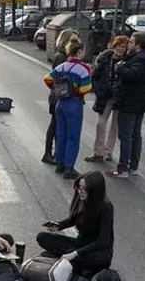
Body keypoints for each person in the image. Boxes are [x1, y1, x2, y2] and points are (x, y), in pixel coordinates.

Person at [36, 170, 114, 276]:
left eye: (84, 189)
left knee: (99, 259)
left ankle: (73, 261)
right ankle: (73, 262)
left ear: (94, 191)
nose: (80, 192)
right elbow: (74, 219)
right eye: (79, 188)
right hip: (80, 244)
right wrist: (59, 226)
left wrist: (74, 254)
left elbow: (103, 241)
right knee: (42, 237)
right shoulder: (83, 199)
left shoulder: (106, 207)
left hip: (96, 250)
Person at [108, 32, 145, 179]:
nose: (128, 44)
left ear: (138, 45)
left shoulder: (140, 59)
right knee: (135, 135)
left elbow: (132, 75)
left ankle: (123, 168)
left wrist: (120, 68)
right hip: (139, 102)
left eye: (131, 42)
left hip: (130, 102)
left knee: (127, 135)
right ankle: (133, 166)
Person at [44, 38, 93, 180]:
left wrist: (57, 89)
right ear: (79, 51)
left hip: (61, 103)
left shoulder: (63, 66)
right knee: (73, 136)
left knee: (61, 134)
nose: (84, 53)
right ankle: (69, 167)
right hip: (74, 104)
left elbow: (47, 79)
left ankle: (59, 163)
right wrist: (77, 90)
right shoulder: (83, 69)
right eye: (83, 50)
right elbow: (86, 88)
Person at [84, 35, 128, 163]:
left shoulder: (127, 61)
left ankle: (108, 152)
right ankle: (98, 152)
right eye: (119, 46)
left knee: (115, 126)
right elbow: (96, 77)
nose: (121, 49)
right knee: (100, 124)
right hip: (106, 96)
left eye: (124, 47)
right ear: (114, 46)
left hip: (119, 97)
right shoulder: (104, 60)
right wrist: (99, 90)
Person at [43, 29, 79, 163]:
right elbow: (58, 79)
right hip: (59, 96)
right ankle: (48, 153)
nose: (76, 43)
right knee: (55, 126)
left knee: (57, 126)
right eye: (73, 40)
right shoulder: (61, 57)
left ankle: (56, 154)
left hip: (59, 95)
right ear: (66, 41)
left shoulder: (64, 55)